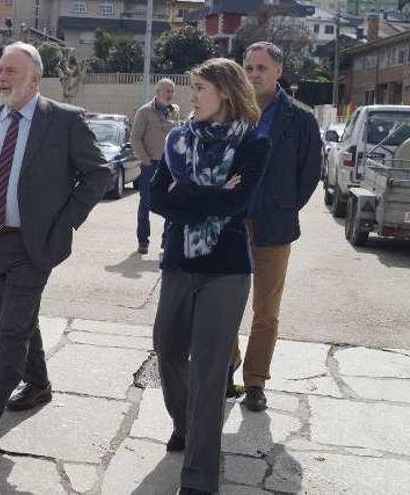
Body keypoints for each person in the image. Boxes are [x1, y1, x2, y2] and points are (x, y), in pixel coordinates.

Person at [0, 42, 110, 443]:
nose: (2, 78)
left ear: (35, 79)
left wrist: (66, 223)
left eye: (12, 72)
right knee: (17, 323)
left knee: (12, 329)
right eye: (1, 70)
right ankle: (38, 383)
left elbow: (98, 175)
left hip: (34, 244)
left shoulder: (64, 120)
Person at [150, 57, 269, 494]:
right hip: (179, 262)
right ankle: (186, 423)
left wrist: (189, 195)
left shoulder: (254, 144)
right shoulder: (178, 139)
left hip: (226, 268)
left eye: (199, 87)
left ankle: (199, 476)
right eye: (191, 87)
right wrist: (215, 193)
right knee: (166, 348)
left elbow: (239, 206)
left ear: (225, 91)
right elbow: (156, 199)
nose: (191, 96)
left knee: (209, 369)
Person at [230, 42, 322, 410]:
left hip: (273, 227)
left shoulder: (300, 118)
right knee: (225, 303)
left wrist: (283, 207)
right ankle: (227, 366)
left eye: (261, 68)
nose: (254, 74)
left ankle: (255, 381)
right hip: (231, 225)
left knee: (265, 310)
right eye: (249, 68)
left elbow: (309, 174)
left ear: (278, 71)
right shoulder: (231, 110)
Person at [129, 78, 180, 254]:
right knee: (146, 204)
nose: (170, 94)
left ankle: (166, 242)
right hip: (150, 165)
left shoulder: (174, 112)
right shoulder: (144, 112)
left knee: (170, 203)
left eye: (172, 91)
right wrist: (146, 160)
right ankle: (143, 241)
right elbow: (135, 138)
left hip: (170, 166)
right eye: (167, 91)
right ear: (157, 92)